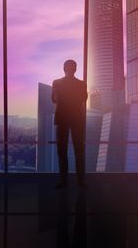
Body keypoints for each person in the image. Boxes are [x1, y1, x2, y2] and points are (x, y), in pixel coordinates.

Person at [52, 59, 88, 188]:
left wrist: (64, 98)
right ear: (75, 69)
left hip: (62, 118)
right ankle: (81, 181)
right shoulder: (81, 84)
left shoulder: (57, 83)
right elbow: (83, 98)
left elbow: (54, 99)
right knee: (79, 150)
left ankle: (63, 181)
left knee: (62, 151)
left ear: (64, 69)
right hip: (76, 119)